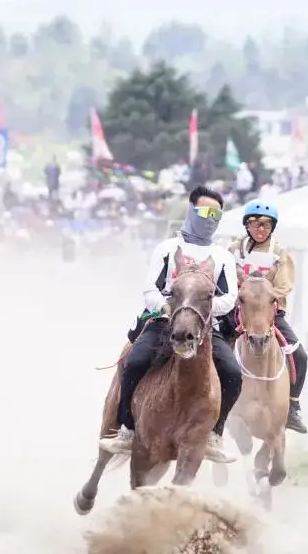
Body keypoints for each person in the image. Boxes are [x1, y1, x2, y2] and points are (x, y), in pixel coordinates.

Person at [99, 185, 241, 463]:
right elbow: (150, 289)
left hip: (204, 328)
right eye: (205, 211)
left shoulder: (224, 257)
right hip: (164, 322)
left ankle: (215, 433)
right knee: (135, 360)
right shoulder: (166, 248)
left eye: (217, 213)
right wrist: (168, 308)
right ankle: (127, 427)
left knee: (233, 373)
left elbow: (231, 297)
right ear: (191, 210)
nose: (210, 217)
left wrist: (203, 311)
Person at [222, 200, 308, 434]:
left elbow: (284, 286)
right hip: (237, 310)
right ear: (246, 225)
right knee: (213, 350)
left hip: (269, 311)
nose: (261, 228)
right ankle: (213, 405)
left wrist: (262, 291)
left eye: (267, 225)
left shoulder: (279, 253)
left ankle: (293, 406)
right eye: (255, 223)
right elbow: (223, 279)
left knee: (299, 354)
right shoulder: (232, 251)